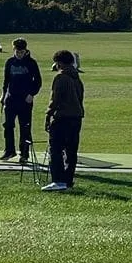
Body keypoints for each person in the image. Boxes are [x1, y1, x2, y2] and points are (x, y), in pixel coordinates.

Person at [42, 49, 84, 192]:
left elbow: (55, 99)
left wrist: (48, 115)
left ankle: (58, 180)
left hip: (62, 117)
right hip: (76, 117)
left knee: (56, 149)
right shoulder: (77, 78)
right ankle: (68, 180)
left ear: (58, 63)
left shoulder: (60, 78)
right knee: (71, 151)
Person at [0, 38, 42, 162]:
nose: (19, 54)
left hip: (25, 100)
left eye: (21, 52)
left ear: (25, 51)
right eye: (17, 52)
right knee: (8, 125)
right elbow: (6, 81)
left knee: (25, 127)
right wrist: (3, 95)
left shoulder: (31, 63)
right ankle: (9, 151)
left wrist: (32, 94)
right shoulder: (10, 62)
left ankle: (24, 154)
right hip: (11, 99)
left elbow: (38, 81)